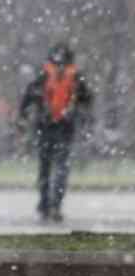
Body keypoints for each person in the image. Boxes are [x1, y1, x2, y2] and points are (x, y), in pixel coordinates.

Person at [17, 42, 93, 222]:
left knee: (45, 167)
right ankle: (55, 205)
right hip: (65, 127)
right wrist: (82, 117)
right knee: (61, 167)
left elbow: (28, 98)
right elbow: (87, 100)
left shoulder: (43, 76)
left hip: (44, 126)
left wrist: (22, 118)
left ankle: (44, 205)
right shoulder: (75, 78)